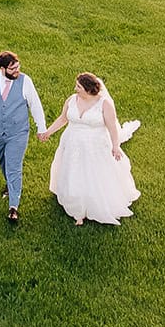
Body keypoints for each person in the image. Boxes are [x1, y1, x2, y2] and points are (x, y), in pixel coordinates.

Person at [41, 73, 140, 226]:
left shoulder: (104, 103)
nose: (75, 89)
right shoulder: (72, 100)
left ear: (89, 90)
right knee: (73, 171)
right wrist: (48, 132)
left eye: (79, 87)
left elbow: (112, 127)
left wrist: (115, 146)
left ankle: (93, 204)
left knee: (93, 174)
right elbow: (63, 118)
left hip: (95, 146)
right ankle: (76, 207)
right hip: (72, 143)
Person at [0, 50, 49, 225]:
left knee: (14, 166)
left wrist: (41, 127)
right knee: (4, 161)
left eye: (18, 67)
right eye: (12, 69)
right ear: (2, 69)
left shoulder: (25, 81)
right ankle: (10, 185)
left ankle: (13, 207)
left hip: (18, 132)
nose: (17, 71)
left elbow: (35, 105)